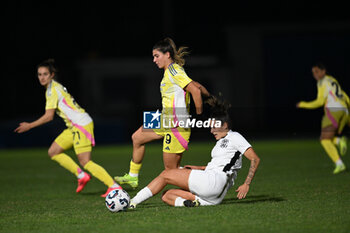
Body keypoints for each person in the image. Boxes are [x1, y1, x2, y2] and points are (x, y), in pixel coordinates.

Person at [14, 59, 121, 197]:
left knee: (85, 161)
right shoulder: (54, 87)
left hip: (81, 125)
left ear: (52, 75)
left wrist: (29, 125)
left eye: (45, 74)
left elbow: (49, 116)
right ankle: (81, 176)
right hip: (73, 126)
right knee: (54, 151)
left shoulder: (52, 91)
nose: (42, 77)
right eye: (39, 74)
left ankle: (114, 186)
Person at [115, 38, 211, 188]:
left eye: (156, 56)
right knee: (137, 138)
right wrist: (211, 98)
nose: (154, 60)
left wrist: (199, 115)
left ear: (167, 54)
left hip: (176, 123)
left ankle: (206, 179)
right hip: (164, 118)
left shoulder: (174, 70)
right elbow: (196, 85)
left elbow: (194, 90)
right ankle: (133, 177)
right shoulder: (170, 72)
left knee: (171, 171)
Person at [128, 99, 261, 208]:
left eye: (214, 126)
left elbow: (255, 159)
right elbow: (219, 165)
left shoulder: (234, 136)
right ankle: (189, 204)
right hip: (215, 197)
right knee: (167, 195)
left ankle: (132, 202)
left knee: (166, 174)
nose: (211, 130)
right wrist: (196, 168)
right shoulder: (221, 142)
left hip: (214, 182)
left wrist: (246, 184)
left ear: (225, 125)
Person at [297, 63, 349, 174]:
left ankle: (339, 164)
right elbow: (345, 96)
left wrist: (303, 104)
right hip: (344, 111)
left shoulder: (322, 82)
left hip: (333, 111)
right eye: (313, 72)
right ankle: (339, 140)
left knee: (324, 140)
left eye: (317, 71)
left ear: (323, 71)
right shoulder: (332, 79)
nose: (315, 74)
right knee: (328, 138)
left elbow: (320, 102)